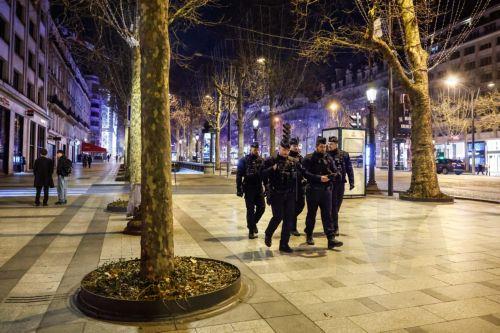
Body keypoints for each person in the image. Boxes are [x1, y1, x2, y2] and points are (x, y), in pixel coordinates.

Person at [302, 136, 343, 250]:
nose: (323, 148)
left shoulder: (328, 158)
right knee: (311, 215)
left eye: (325, 146)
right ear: (316, 147)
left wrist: (335, 175)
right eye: (321, 146)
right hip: (313, 191)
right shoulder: (308, 158)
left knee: (327, 216)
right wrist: (319, 178)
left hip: (326, 192)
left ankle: (331, 239)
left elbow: (335, 170)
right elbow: (305, 173)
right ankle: (309, 234)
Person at [262, 139, 300, 253]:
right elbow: (261, 174)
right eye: (284, 149)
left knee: (288, 219)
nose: (286, 152)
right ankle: (268, 233)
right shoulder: (271, 160)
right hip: (276, 193)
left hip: (289, 194)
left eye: (287, 150)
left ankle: (284, 244)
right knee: (278, 216)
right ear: (279, 148)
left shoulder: (293, 161)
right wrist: (271, 169)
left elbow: (299, 175)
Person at [236, 142, 266, 239]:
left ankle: (252, 224)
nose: (256, 151)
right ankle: (251, 231)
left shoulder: (262, 161)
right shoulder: (244, 160)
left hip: (258, 188)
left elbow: (265, 176)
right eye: (254, 149)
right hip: (248, 188)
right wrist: (239, 188)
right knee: (250, 210)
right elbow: (239, 175)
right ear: (250, 149)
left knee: (262, 208)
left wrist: (267, 187)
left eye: (257, 149)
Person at [328, 136, 354, 236]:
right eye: (329, 144)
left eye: (332, 144)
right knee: (333, 206)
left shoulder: (344, 155)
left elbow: (349, 169)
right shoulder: (326, 155)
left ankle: (331, 222)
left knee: (337, 205)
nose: (330, 145)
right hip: (331, 184)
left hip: (340, 184)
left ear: (336, 144)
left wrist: (351, 182)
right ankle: (335, 227)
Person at [289, 137, 305, 236]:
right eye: (294, 146)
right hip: (291, 186)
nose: (296, 147)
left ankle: (290, 221)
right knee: (292, 207)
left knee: (301, 205)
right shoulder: (288, 156)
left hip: (300, 186)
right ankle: (293, 228)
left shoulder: (300, 157)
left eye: (297, 146)